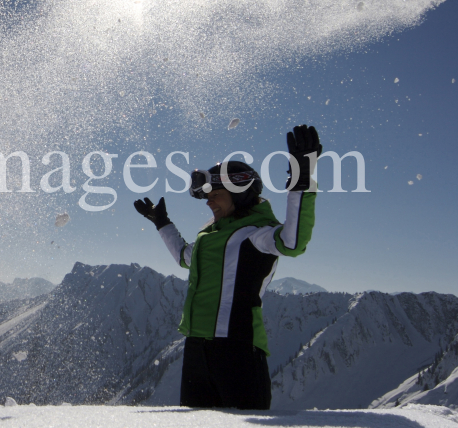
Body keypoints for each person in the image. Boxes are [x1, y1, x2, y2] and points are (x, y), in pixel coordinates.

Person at [134, 125, 321, 410]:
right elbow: (186, 257)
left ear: (240, 191)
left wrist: (302, 177)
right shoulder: (210, 237)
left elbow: (293, 242)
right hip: (196, 348)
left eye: (215, 194)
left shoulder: (257, 234)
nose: (208, 201)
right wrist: (162, 223)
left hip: (239, 350)